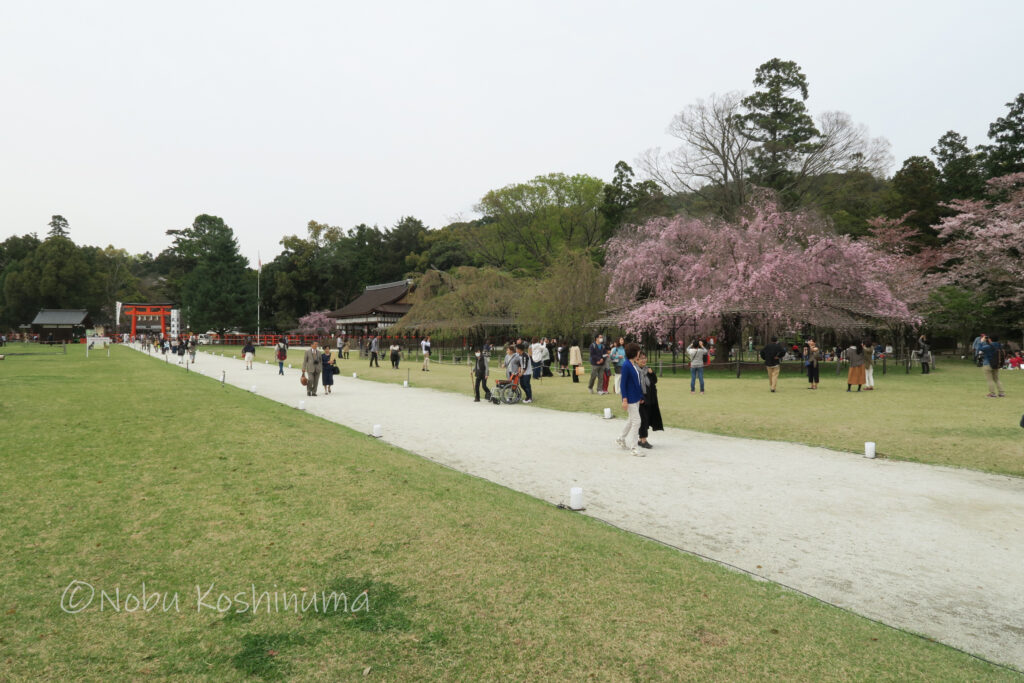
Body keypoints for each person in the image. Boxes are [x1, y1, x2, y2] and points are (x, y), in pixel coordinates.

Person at [615, 343, 645, 457]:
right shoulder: (626, 365)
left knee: (631, 420)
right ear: (634, 353)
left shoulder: (633, 364)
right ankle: (634, 448)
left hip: (636, 397)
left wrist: (640, 396)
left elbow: (636, 382)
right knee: (637, 421)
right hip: (630, 398)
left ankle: (620, 438)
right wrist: (624, 399)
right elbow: (623, 384)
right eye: (638, 351)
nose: (639, 353)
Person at [636, 351, 663, 449]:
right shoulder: (635, 371)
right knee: (642, 419)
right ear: (637, 360)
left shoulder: (648, 369)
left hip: (651, 398)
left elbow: (654, 381)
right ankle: (643, 440)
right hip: (641, 399)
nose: (644, 360)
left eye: (645, 358)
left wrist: (652, 374)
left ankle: (640, 439)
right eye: (641, 358)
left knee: (647, 418)